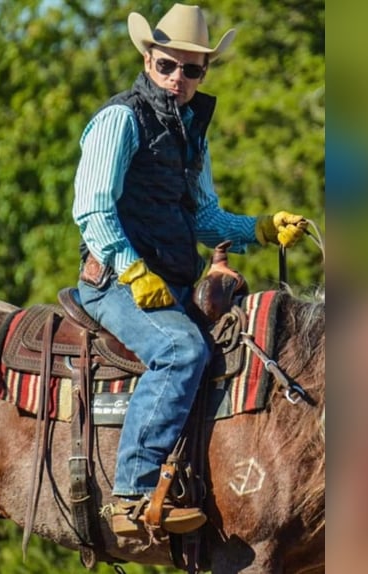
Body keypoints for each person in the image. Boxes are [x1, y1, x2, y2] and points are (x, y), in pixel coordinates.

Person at [72, 3, 308, 536]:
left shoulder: (190, 130)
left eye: (192, 69)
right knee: (182, 351)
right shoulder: (120, 118)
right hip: (113, 283)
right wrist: (133, 271)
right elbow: (92, 209)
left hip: (171, 284)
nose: (179, 79)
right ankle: (130, 494)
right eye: (167, 66)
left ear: (203, 72)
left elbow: (204, 217)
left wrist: (262, 228)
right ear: (148, 59)